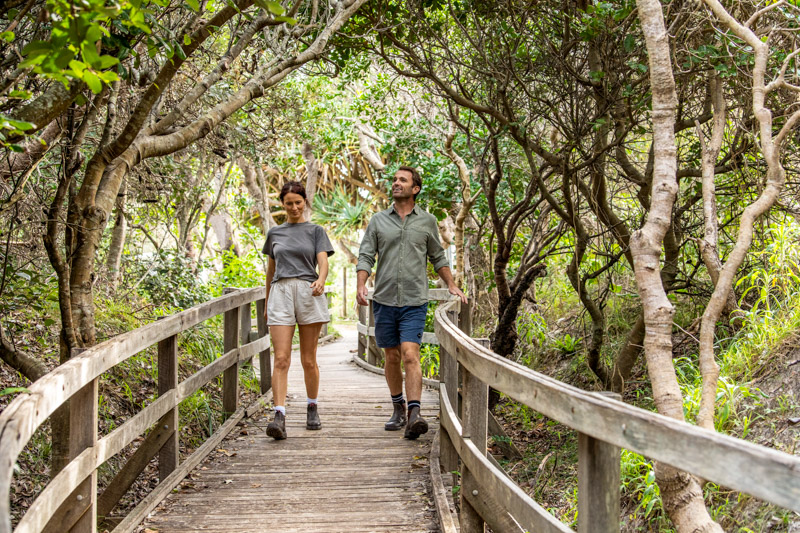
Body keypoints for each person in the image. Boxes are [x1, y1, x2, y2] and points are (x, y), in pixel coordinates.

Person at [356, 166, 467, 440]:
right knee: (391, 356)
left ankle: (415, 413)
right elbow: (366, 255)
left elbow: (438, 257)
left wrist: (451, 284)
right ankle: (398, 407)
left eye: (402, 180)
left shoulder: (427, 221)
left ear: (415, 189)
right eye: (394, 180)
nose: (396, 183)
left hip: (414, 300)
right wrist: (361, 284)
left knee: (409, 354)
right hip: (383, 299)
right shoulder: (378, 221)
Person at [262, 181, 334, 440]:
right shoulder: (275, 234)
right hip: (280, 293)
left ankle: (312, 406)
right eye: (289, 203)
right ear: (282, 204)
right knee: (281, 358)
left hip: (308, 290)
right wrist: (268, 302)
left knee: (308, 359)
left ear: (305, 202)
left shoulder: (316, 231)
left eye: (298, 202)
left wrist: (321, 280)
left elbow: (323, 262)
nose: (293, 207)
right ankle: (279, 415)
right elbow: (270, 271)